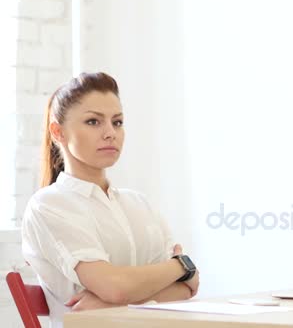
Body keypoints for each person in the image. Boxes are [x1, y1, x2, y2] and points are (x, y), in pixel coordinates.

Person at [21, 72, 199, 328]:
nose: (110, 133)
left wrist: (112, 301)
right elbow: (114, 287)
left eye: (117, 122)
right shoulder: (50, 205)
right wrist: (182, 265)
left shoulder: (140, 204)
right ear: (57, 132)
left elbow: (187, 289)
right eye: (93, 122)